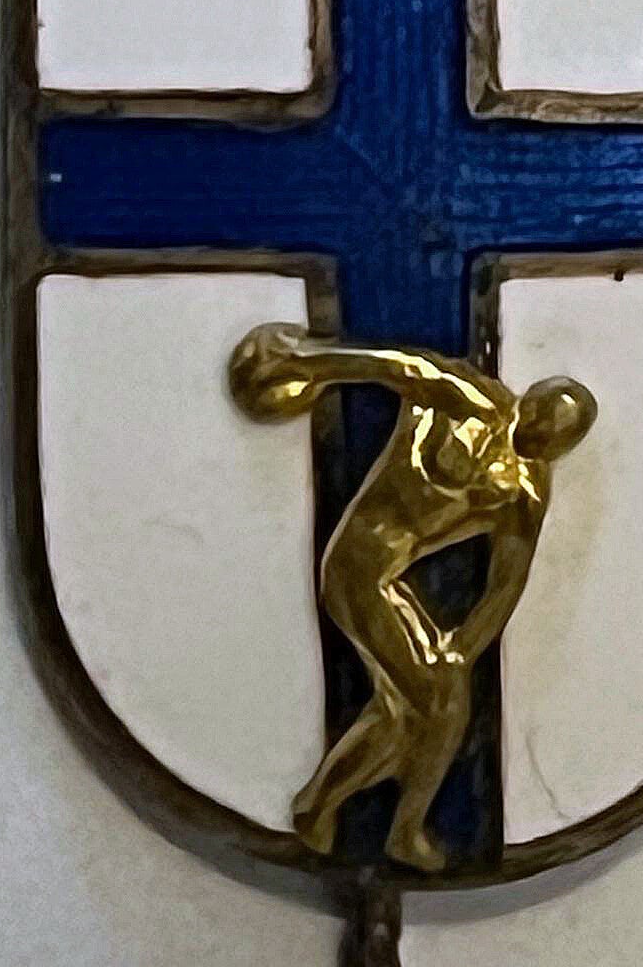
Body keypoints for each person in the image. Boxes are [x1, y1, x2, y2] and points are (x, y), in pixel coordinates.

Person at [229, 322, 597, 873]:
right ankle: (391, 827)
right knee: (438, 706)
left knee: (417, 710)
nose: (543, 440)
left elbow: (507, 582)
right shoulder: (469, 401)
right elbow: (402, 365)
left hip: (391, 582)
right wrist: (309, 362)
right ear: (530, 401)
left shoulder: (524, 491)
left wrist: (463, 647)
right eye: (544, 421)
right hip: (356, 566)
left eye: (558, 440)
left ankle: (325, 808)